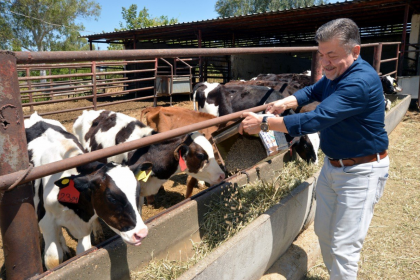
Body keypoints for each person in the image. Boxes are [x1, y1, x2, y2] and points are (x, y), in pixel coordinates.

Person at [239, 18, 389, 279]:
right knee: (324, 232)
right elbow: (312, 91)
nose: (324, 62)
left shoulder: (359, 83)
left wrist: (265, 123)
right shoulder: (336, 73)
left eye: (331, 55)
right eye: (321, 54)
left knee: (344, 246)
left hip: (362, 171)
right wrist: (284, 102)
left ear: (355, 51)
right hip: (333, 166)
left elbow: (316, 119)